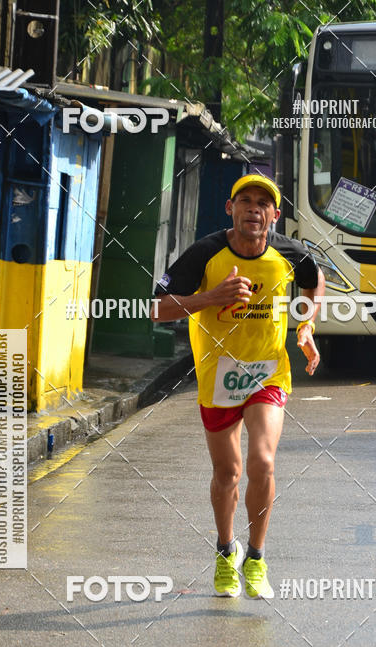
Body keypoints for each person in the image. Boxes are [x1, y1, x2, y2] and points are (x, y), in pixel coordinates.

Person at [152, 174, 325, 599]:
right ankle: (226, 549)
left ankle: (257, 557)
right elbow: (157, 309)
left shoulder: (289, 252)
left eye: (262, 203)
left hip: (268, 372)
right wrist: (212, 297)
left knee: (262, 462)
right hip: (218, 376)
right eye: (245, 201)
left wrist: (306, 324)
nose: (253, 209)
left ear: (274, 215)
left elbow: (314, 279)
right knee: (227, 472)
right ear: (230, 208)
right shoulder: (205, 252)